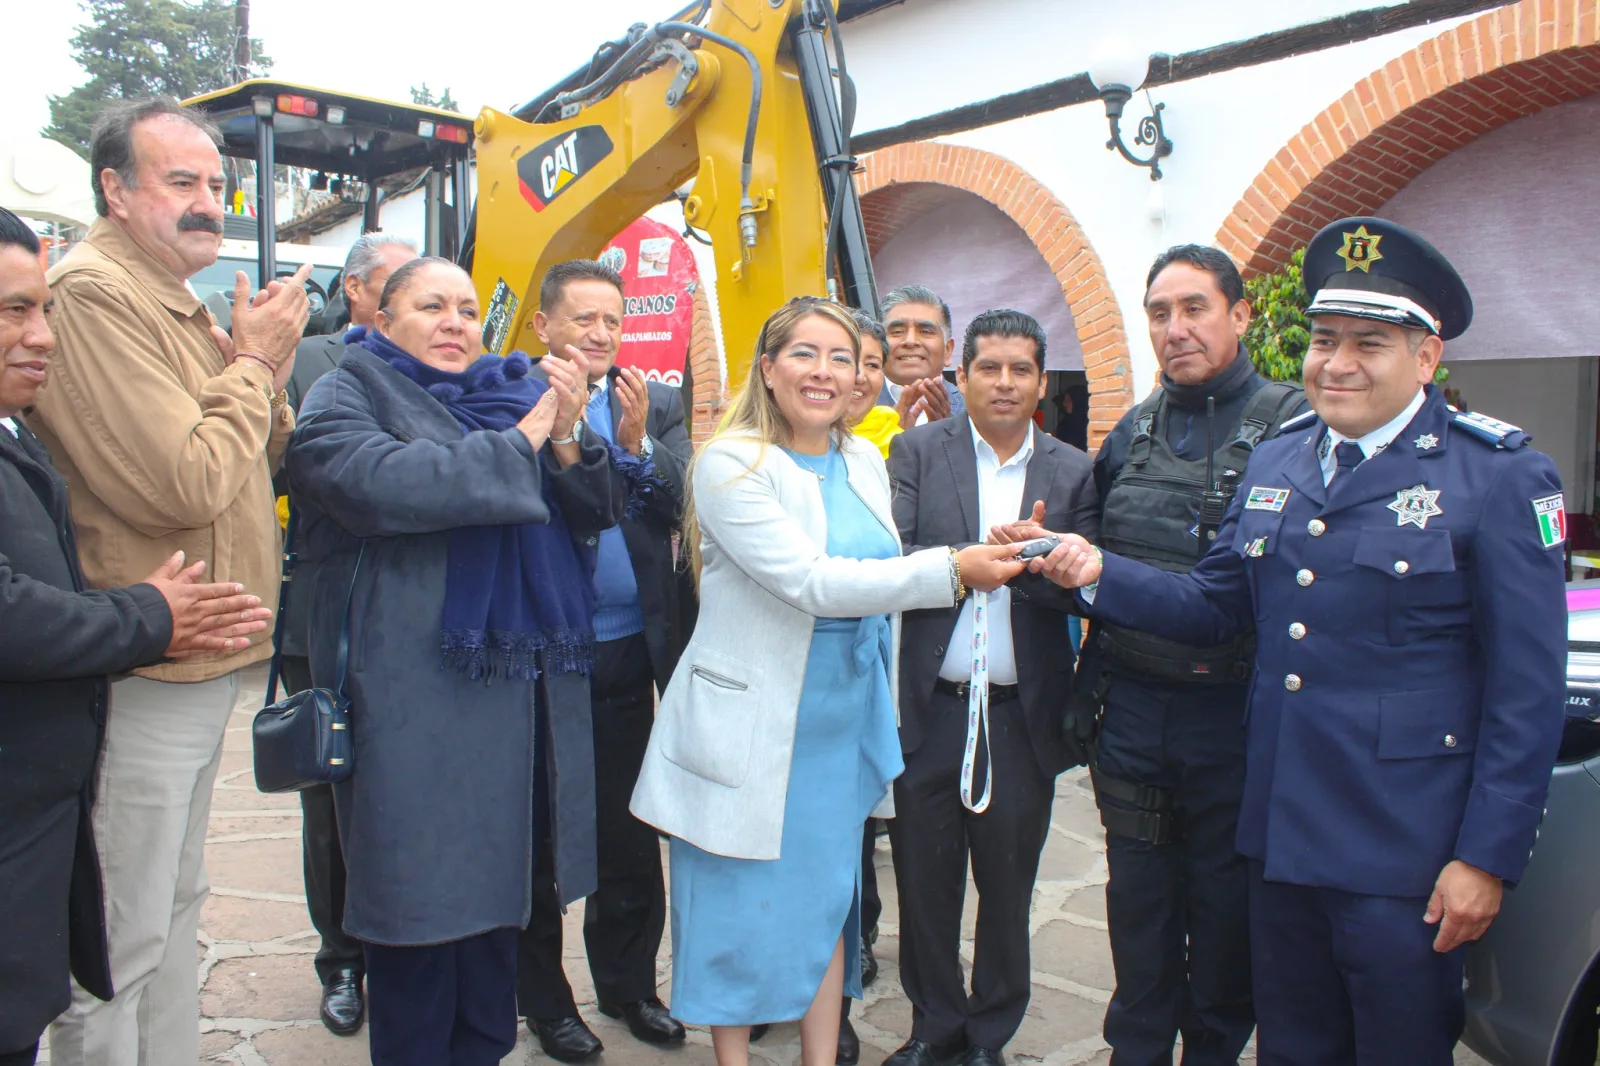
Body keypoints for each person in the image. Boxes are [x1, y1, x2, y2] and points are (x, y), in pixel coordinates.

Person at [1016, 217, 1567, 1066]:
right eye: (1323, 340)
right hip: (1281, 840)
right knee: (1294, 1049)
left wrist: (1485, 860)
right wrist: (1091, 571)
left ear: (1426, 358)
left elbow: (1526, 694)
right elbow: (1214, 606)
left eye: (1368, 343)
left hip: (1407, 857)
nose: (1337, 362)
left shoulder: (1494, 476)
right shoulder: (1282, 462)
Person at [629, 297, 1025, 1066]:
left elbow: (879, 573)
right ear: (769, 369)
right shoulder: (730, 462)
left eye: (841, 357)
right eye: (804, 354)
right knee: (737, 915)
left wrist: (984, 549)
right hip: (754, 727)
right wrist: (952, 570)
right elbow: (811, 581)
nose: (824, 371)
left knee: (824, 908)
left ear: (857, 379)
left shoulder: (863, 460)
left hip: (839, 721)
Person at [285, 256, 631, 1064]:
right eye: (430, 306)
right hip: (408, 696)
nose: (454, 323)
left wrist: (570, 434)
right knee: (416, 905)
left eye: (468, 309)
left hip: (508, 694)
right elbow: (379, 482)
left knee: (495, 909)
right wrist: (523, 441)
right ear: (381, 321)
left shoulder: (507, 391)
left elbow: (593, 511)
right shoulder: (349, 390)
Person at [26, 98, 311, 1065]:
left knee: (170, 911)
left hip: (197, 654)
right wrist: (260, 363)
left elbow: (261, 452)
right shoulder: (97, 295)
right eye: (180, 182)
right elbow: (183, 478)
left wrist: (249, 369)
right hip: (146, 661)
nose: (207, 204)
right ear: (114, 188)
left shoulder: (175, 301)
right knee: (119, 938)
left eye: (215, 185)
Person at [1079, 245, 1307, 1066]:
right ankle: (1135, 1051)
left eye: (1195, 308)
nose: (1176, 330)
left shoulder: (1295, 429)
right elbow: (1091, 550)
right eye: (1160, 313)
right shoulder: (1133, 432)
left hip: (1235, 720)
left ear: (1240, 314)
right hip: (1135, 712)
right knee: (1136, 904)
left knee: (1223, 914)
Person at [884, 309, 1100, 1066]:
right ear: (961, 375)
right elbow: (899, 559)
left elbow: (1086, 591)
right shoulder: (914, 451)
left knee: (1008, 891)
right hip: (929, 713)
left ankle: (990, 1034)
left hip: (1020, 717)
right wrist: (972, 558)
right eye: (988, 368)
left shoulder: (1073, 471)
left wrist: (1041, 563)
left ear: (1043, 381)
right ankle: (933, 1025)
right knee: (924, 881)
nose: (1004, 383)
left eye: (1020, 369)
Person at [517, 259, 694, 1060]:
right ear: (543, 326)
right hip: (543, 657)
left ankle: (629, 988)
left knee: (628, 832)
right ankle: (547, 1003)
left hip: (626, 655)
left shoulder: (644, 401)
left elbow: (675, 504)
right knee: (543, 838)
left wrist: (639, 449)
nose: (599, 334)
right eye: (582, 319)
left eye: (613, 322)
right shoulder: (510, 400)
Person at [275, 231, 418, 1036]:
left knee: (399, 797)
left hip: (410, 625)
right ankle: (342, 962)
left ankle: (400, 944)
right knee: (332, 799)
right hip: (323, 619)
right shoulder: (310, 363)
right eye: (403, 284)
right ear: (361, 292)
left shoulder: (447, 371)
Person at [879, 285, 966, 426]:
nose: (910, 341)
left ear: (948, 350)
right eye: (897, 331)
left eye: (925, 331)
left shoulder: (973, 412)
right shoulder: (852, 406)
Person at [848, 309, 906, 461]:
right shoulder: (785, 448)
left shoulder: (903, 449)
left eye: (873, 365)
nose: (860, 376)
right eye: (844, 360)